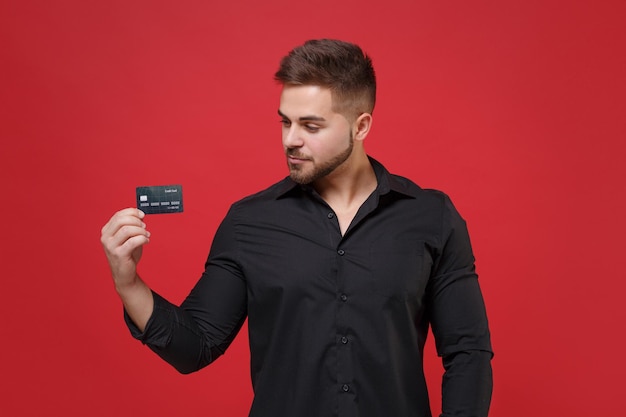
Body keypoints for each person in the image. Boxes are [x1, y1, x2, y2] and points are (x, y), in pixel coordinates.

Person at [101, 39, 493, 417]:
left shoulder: (431, 216)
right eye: (285, 122)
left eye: (311, 126)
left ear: (361, 126)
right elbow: (195, 346)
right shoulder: (248, 222)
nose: (291, 140)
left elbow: (468, 352)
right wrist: (128, 282)